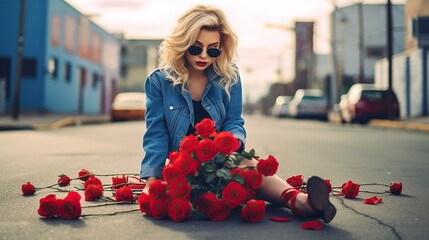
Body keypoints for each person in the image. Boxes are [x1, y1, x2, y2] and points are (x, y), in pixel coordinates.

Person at [139, 4, 336, 223]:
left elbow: (234, 122)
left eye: (212, 49)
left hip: (222, 164)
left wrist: (233, 148)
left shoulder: (229, 78)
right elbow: (156, 134)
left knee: (247, 166)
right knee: (243, 170)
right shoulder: (159, 81)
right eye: (196, 48)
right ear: (183, 44)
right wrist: (151, 181)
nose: (204, 55)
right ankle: (299, 202)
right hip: (184, 170)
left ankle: (302, 202)